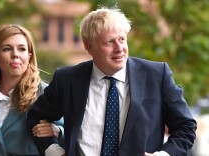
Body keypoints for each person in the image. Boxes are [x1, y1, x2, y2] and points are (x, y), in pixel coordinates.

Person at [26, 7, 197, 156]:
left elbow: (185, 127)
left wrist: (164, 154)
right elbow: (36, 117)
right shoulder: (67, 79)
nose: (119, 48)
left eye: (122, 39)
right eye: (109, 42)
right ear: (89, 46)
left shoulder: (157, 75)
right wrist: (54, 152)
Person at [0, 24, 64, 156]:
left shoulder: (45, 92)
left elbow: (70, 137)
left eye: (22, 49)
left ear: (29, 56)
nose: (15, 55)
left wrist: (59, 132)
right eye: (7, 49)